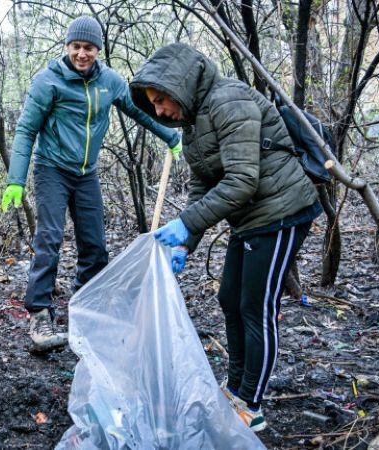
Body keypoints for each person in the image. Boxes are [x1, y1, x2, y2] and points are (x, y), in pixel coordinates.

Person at [129, 43, 322, 431]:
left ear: (179, 87)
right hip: (249, 217)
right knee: (229, 298)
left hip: (281, 212)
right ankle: (234, 388)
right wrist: (187, 240)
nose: (159, 111)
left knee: (256, 306)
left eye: (162, 100)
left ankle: (251, 402)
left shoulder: (228, 100)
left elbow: (242, 180)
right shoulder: (195, 123)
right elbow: (204, 187)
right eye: (154, 104)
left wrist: (186, 222)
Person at [2, 16, 182, 351]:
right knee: (50, 238)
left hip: (87, 172)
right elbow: (26, 130)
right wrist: (16, 179)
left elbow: (138, 112)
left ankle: (87, 305)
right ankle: (40, 315)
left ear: (98, 49)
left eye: (88, 48)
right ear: (67, 47)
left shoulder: (110, 81)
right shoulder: (48, 82)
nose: (82, 54)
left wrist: (170, 135)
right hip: (52, 169)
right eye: (76, 47)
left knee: (95, 244)